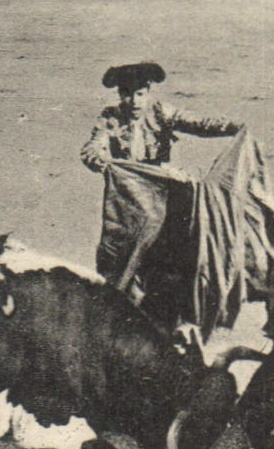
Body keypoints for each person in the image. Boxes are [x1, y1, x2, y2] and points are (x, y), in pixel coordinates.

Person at [80, 61, 244, 338]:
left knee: (189, 241)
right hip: (130, 198)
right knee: (117, 254)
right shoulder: (110, 118)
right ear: (120, 95)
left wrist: (231, 127)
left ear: (149, 93)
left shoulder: (160, 112)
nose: (134, 101)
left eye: (140, 94)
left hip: (165, 191)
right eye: (127, 94)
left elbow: (197, 124)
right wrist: (99, 160)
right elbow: (92, 147)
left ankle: (188, 309)